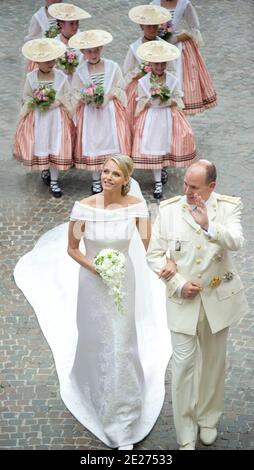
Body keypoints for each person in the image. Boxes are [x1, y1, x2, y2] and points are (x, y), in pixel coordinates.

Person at [14, 155, 171, 450]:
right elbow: (73, 249)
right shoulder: (83, 208)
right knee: (97, 338)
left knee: (121, 341)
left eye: (115, 174)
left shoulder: (137, 208)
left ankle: (123, 413)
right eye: (105, 171)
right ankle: (91, 387)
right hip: (92, 282)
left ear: (126, 179)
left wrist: (171, 269)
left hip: (123, 282)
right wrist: (95, 268)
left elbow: (152, 249)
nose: (108, 177)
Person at [146, 159, 248, 449]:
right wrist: (177, 283)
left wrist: (209, 226)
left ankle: (207, 420)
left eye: (194, 187)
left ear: (211, 186)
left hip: (218, 299)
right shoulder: (167, 211)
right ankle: (186, 433)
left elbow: (237, 241)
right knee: (183, 367)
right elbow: (153, 255)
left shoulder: (228, 207)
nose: (187, 190)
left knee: (214, 364)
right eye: (186, 184)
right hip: (182, 302)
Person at [132, 40, 196, 199]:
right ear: (150, 64)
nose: (159, 67)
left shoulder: (172, 80)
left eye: (162, 64)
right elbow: (140, 101)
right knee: (154, 147)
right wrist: (149, 101)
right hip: (152, 118)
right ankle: (157, 182)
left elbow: (179, 99)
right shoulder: (144, 81)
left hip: (168, 117)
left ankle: (163, 169)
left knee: (166, 145)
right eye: (156, 64)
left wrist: (167, 100)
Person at [70, 30, 131, 195]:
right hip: (91, 114)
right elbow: (75, 91)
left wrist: (107, 96)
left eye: (97, 50)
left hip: (109, 111)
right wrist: (87, 98)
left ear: (101, 49)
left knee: (112, 140)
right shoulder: (80, 71)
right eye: (89, 51)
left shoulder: (112, 66)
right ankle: (96, 179)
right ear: (83, 52)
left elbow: (120, 86)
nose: (94, 54)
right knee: (93, 143)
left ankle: (116, 175)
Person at [13, 38, 74, 198]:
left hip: (56, 119)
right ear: (37, 61)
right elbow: (26, 96)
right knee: (42, 144)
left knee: (55, 145)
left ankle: (54, 180)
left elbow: (68, 95)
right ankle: (45, 168)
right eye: (46, 60)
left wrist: (58, 102)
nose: (50, 62)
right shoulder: (32, 77)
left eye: (52, 59)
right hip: (39, 119)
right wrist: (35, 101)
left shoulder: (60, 76)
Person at [150, 0, 217, 115]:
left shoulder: (184, 4)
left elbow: (195, 28)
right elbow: (148, 27)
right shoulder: (154, 5)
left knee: (179, 80)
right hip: (158, 49)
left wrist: (175, 39)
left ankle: (178, 115)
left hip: (179, 50)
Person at [123, 4, 172, 141]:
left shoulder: (165, 46)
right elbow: (126, 71)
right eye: (148, 26)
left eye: (155, 26)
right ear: (141, 27)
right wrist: (140, 72)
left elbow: (172, 69)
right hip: (141, 87)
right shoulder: (134, 48)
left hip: (161, 84)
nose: (152, 29)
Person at [49, 3, 91, 82]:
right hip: (61, 83)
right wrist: (62, 69)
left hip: (82, 82)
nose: (75, 27)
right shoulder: (54, 43)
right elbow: (49, 68)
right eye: (71, 23)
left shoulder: (85, 40)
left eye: (77, 23)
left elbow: (91, 62)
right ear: (61, 24)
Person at [24, 0, 64, 72]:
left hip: (63, 59)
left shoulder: (65, 13)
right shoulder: (39, 17)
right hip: (45, 60)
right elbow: (30, 39)